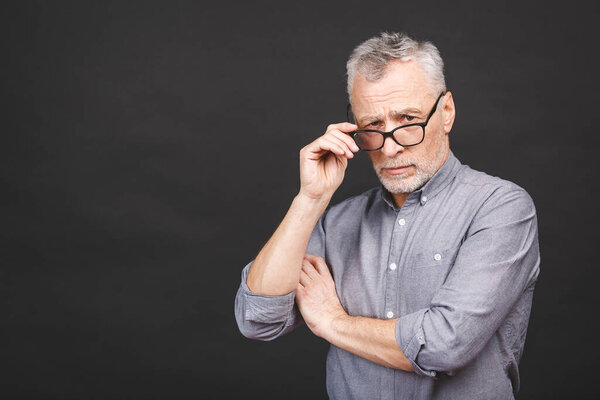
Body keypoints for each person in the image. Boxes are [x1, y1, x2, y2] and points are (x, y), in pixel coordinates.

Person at [234, 32, 540, 400]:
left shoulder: (500, 207)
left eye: (408, 119)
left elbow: (443, 345)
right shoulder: (336, 222)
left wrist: (332, 322)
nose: (391, 147)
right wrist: (310, 199)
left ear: (446, 112)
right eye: (373, 126)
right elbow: (258, 318)